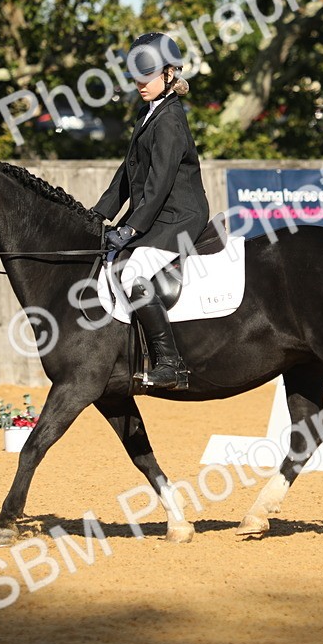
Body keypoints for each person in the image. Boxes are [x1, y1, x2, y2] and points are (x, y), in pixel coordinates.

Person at [91, 32, 210, 390]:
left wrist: (131, 228)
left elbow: (159, 183)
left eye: (148, 76)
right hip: (157, 213)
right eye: (137, 77)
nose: (140, 84)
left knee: (130, 270)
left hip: (181, 215)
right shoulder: (149, 113)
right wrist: (96, 216)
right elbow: (127, 176)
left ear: (169, 74)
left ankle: (170, 363)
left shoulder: (171, 119)